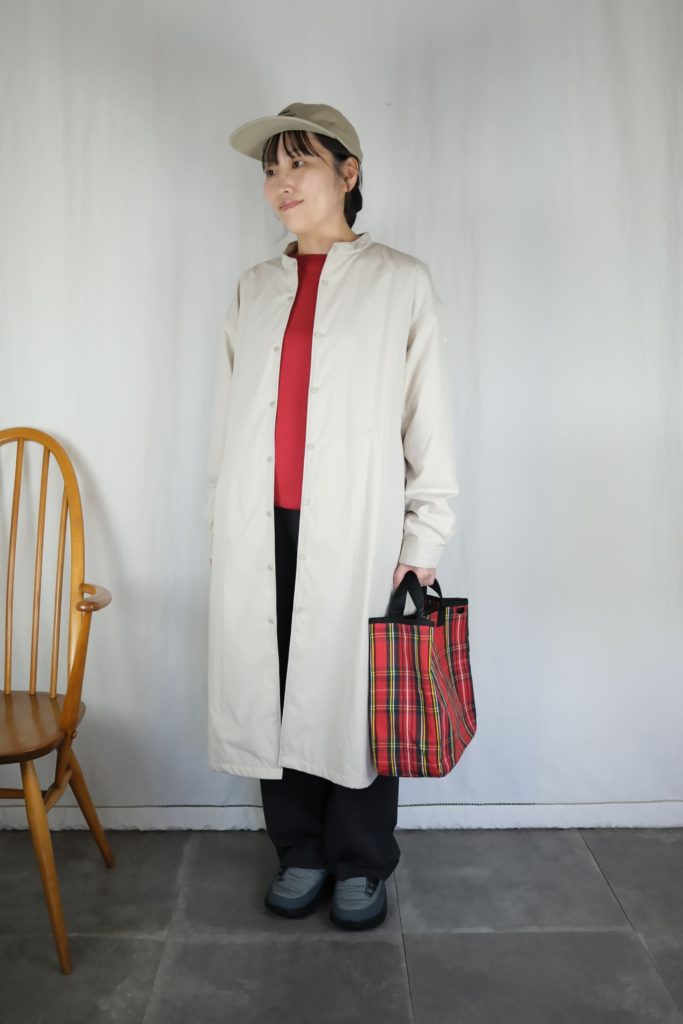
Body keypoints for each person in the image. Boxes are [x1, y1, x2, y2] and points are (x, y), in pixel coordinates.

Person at [205, 102, 459, 931]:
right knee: (272, 686)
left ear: (347, 173)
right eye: (270, 170)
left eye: (299, 163)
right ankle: (300, 850)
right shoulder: (254, 287)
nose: (281, 183)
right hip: (262, 528)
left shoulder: (400, 281)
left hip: (357, 531)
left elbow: (427, 420)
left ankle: (360, 858)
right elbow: (227, 421)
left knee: (357, 695)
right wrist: (219, 521)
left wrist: (423, 537)